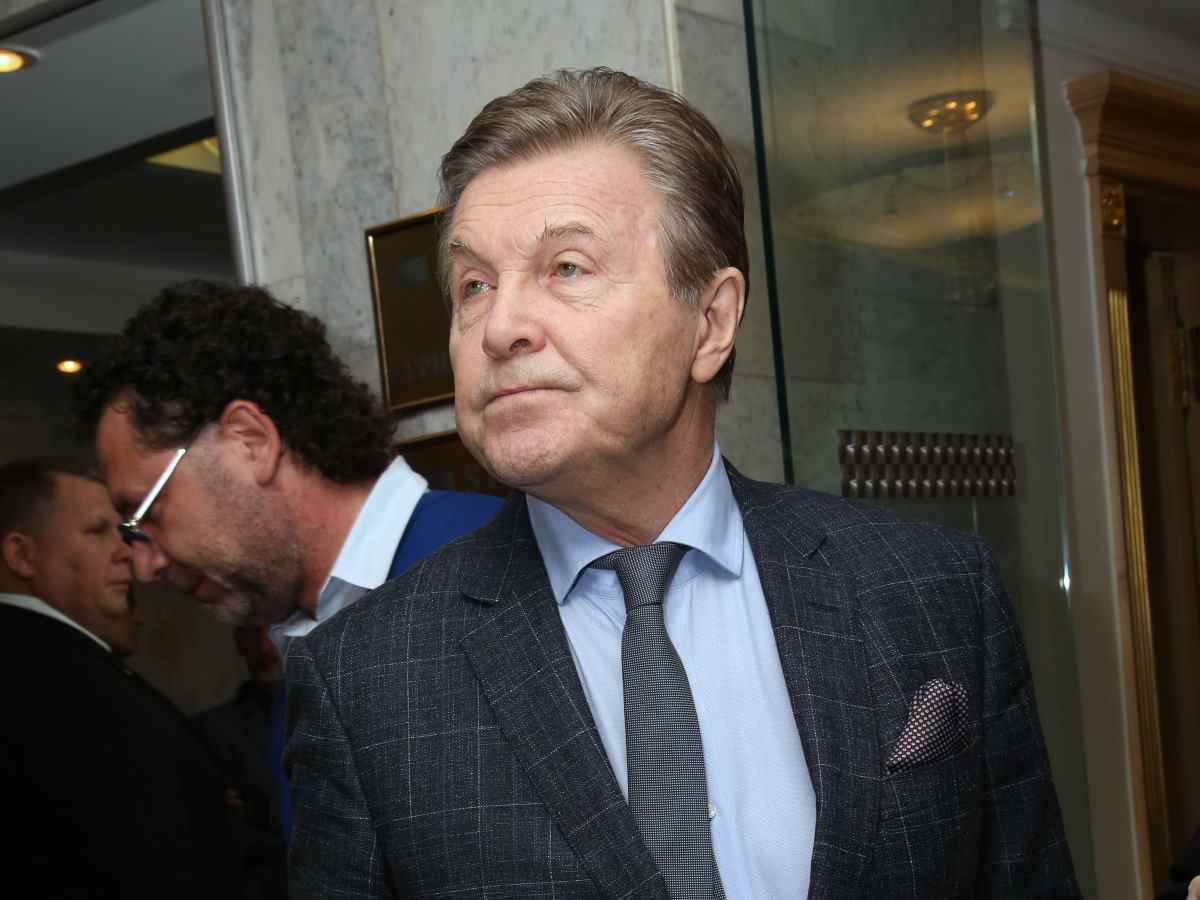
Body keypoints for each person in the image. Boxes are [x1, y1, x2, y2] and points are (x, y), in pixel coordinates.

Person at [284, 67, 1080, 899]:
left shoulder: (931, 591)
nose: (501, 327)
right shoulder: (365, 686)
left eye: (567, 267)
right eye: (473, 286)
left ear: (711, 321)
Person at [74, 280, 505, 836]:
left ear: (250, 441)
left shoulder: (503, 571)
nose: (144, 566)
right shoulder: (298, 670)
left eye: (147, 513)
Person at [0, 458, 240, 899]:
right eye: (97, 531)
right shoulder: (57, 681)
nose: (126, 551)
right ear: (22, 555)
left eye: (120, 531)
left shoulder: (67, 663)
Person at [196, 625, 287, 900]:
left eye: (276, 631)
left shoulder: (338, 713)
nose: (265, 647)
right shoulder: (212, 730)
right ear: (239, 643)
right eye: (253, 633)